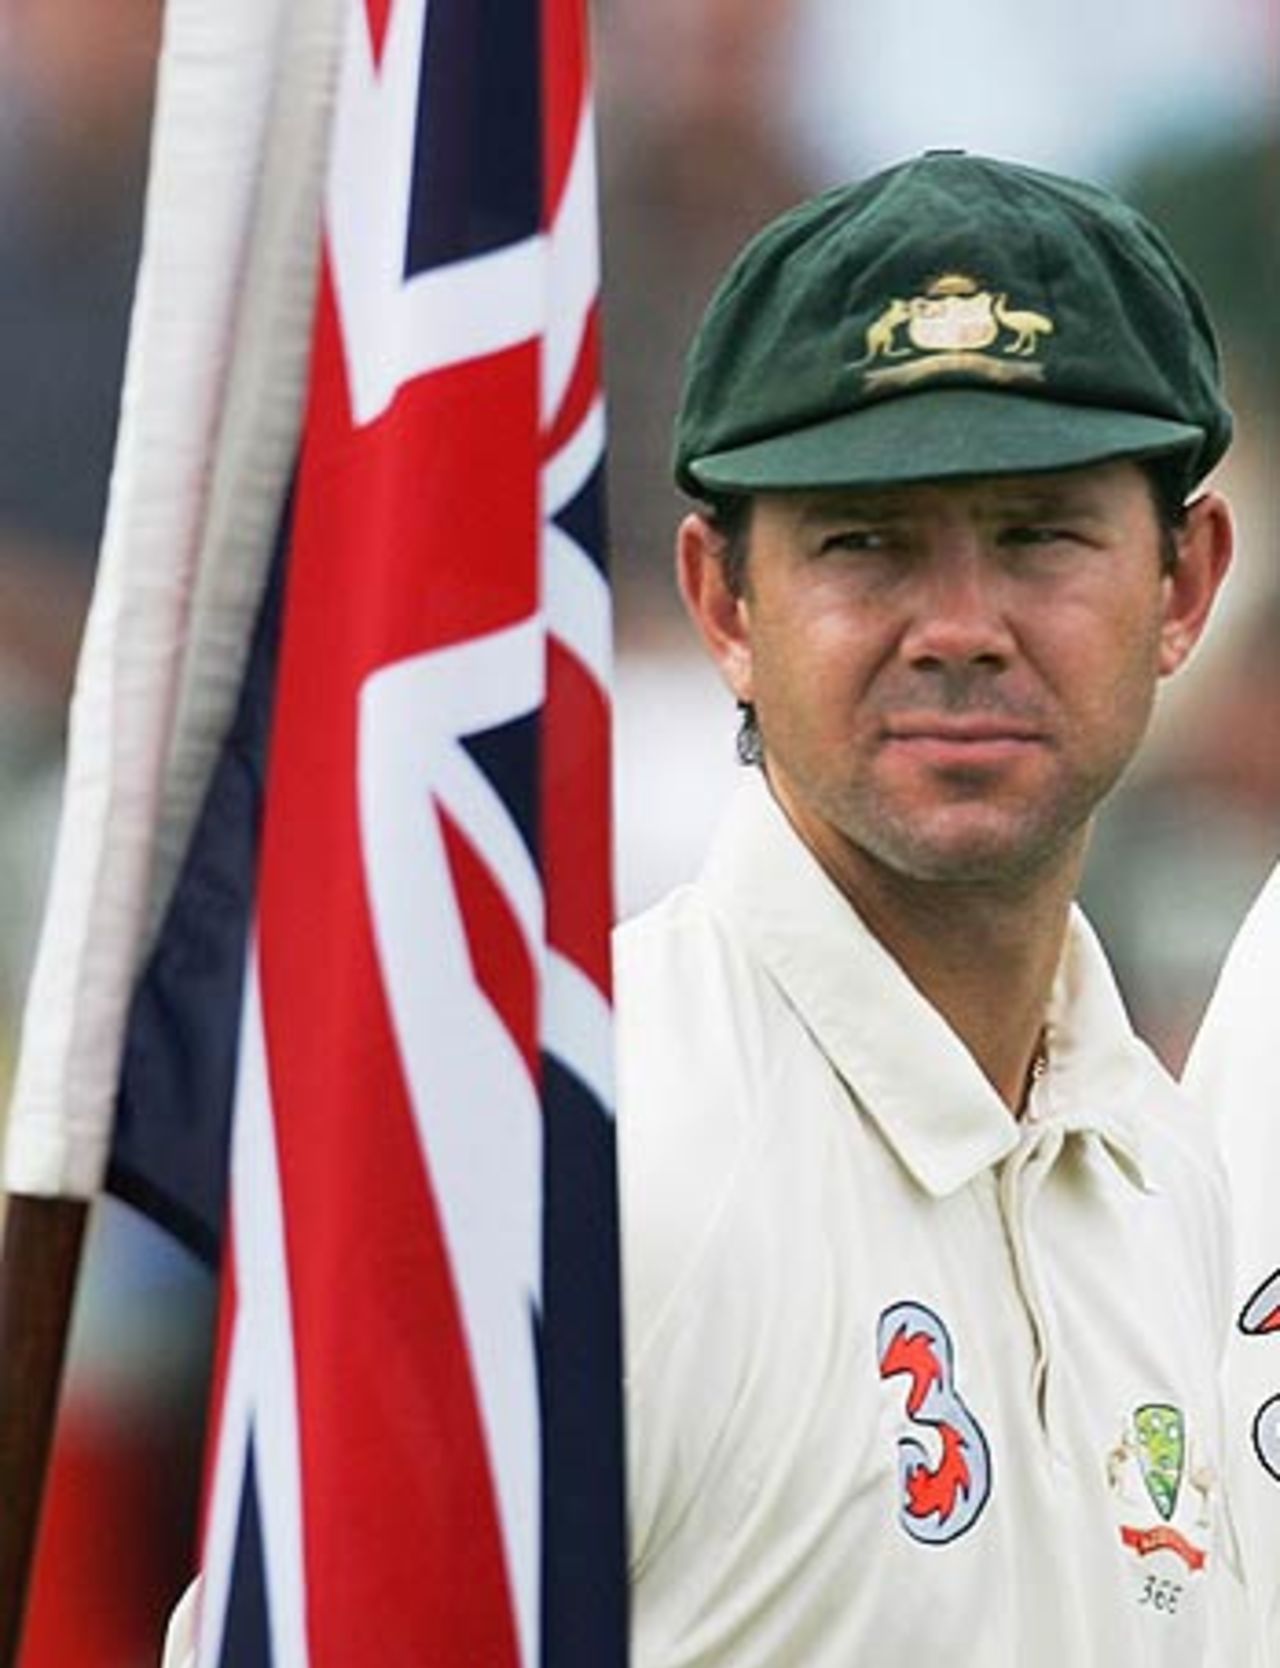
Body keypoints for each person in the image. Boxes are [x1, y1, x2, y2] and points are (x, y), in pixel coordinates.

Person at [617, 150, 1253, 1666]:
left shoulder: (1177, 1183)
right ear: (724, 604)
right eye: (868, 542)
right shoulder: (583, 1156)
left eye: (1039, 534)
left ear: (1183, 586)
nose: (961, 627)